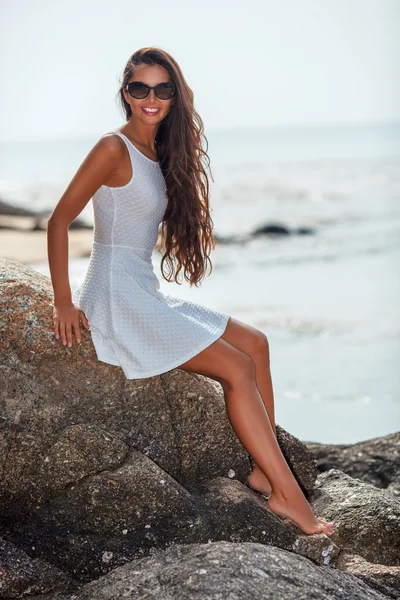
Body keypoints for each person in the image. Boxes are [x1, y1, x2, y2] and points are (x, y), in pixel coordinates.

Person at [47, 47, 335, 537]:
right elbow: (58, 221)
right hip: (116, 293)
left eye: (162, 89)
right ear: (126, 94)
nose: (151, 98)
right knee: (236, 368)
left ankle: (265, 470)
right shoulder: (112, 148)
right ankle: (288, 498)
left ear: (174, 96)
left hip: (142, 288)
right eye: (140, 88)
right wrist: (62, 301)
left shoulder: (161, 151)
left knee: (256, 343)